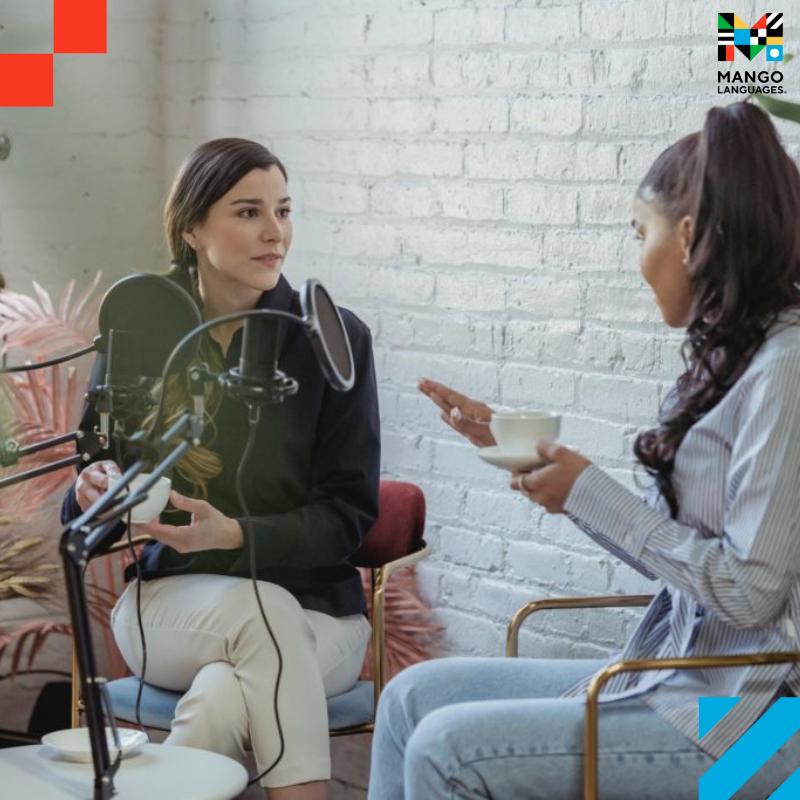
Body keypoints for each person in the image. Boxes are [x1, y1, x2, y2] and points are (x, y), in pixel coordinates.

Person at [368, 102, 800, 799]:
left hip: (761, 732)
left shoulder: (786, 367)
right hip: (681, 681)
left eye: (641, 234)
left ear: (688, 237)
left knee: (449, 751)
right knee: (410, 699)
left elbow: (748, 592)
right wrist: (534, 465)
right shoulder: (735, 360)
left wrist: (589, 489)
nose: (639, 261)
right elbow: (696, 569)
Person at [61, 138, 380, 800]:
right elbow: (87, 499)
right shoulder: (143, 326)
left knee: (222, 696)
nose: (275, 232)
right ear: (192, 228)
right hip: (168, 608)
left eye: (284, 211)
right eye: (248, 212)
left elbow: (347, 518)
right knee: (259, 612)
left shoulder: (332, 337)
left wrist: (233, 533)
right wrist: (92, 489)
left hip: (321, 617)